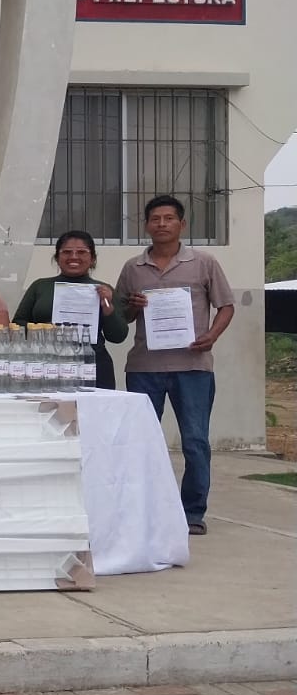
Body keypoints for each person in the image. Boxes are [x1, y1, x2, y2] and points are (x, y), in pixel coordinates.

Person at [114, 195, 235, 537]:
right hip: (144, 367)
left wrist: (211, 336)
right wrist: (134, 307)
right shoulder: (133, 268)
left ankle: (192, 512)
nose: (162, 224)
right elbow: (122, 316)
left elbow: (226, 306)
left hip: (193, 366)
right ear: (146, 225)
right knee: (141, 443)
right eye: (155, 219)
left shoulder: (204, 262)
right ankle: (145, 508)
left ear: (182, 224)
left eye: (169, 218)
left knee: (195, 441)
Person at [13, 230, 128, 390]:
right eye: (67, 252)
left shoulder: (104, 289)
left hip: (93, 364)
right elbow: (17, 324)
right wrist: (44, 330)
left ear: (93, 258)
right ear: (57, 257)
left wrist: (108, 308)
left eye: (81, 252)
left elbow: (118, 336)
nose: (74, 257)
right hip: (46, 363)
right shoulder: (40, 286)